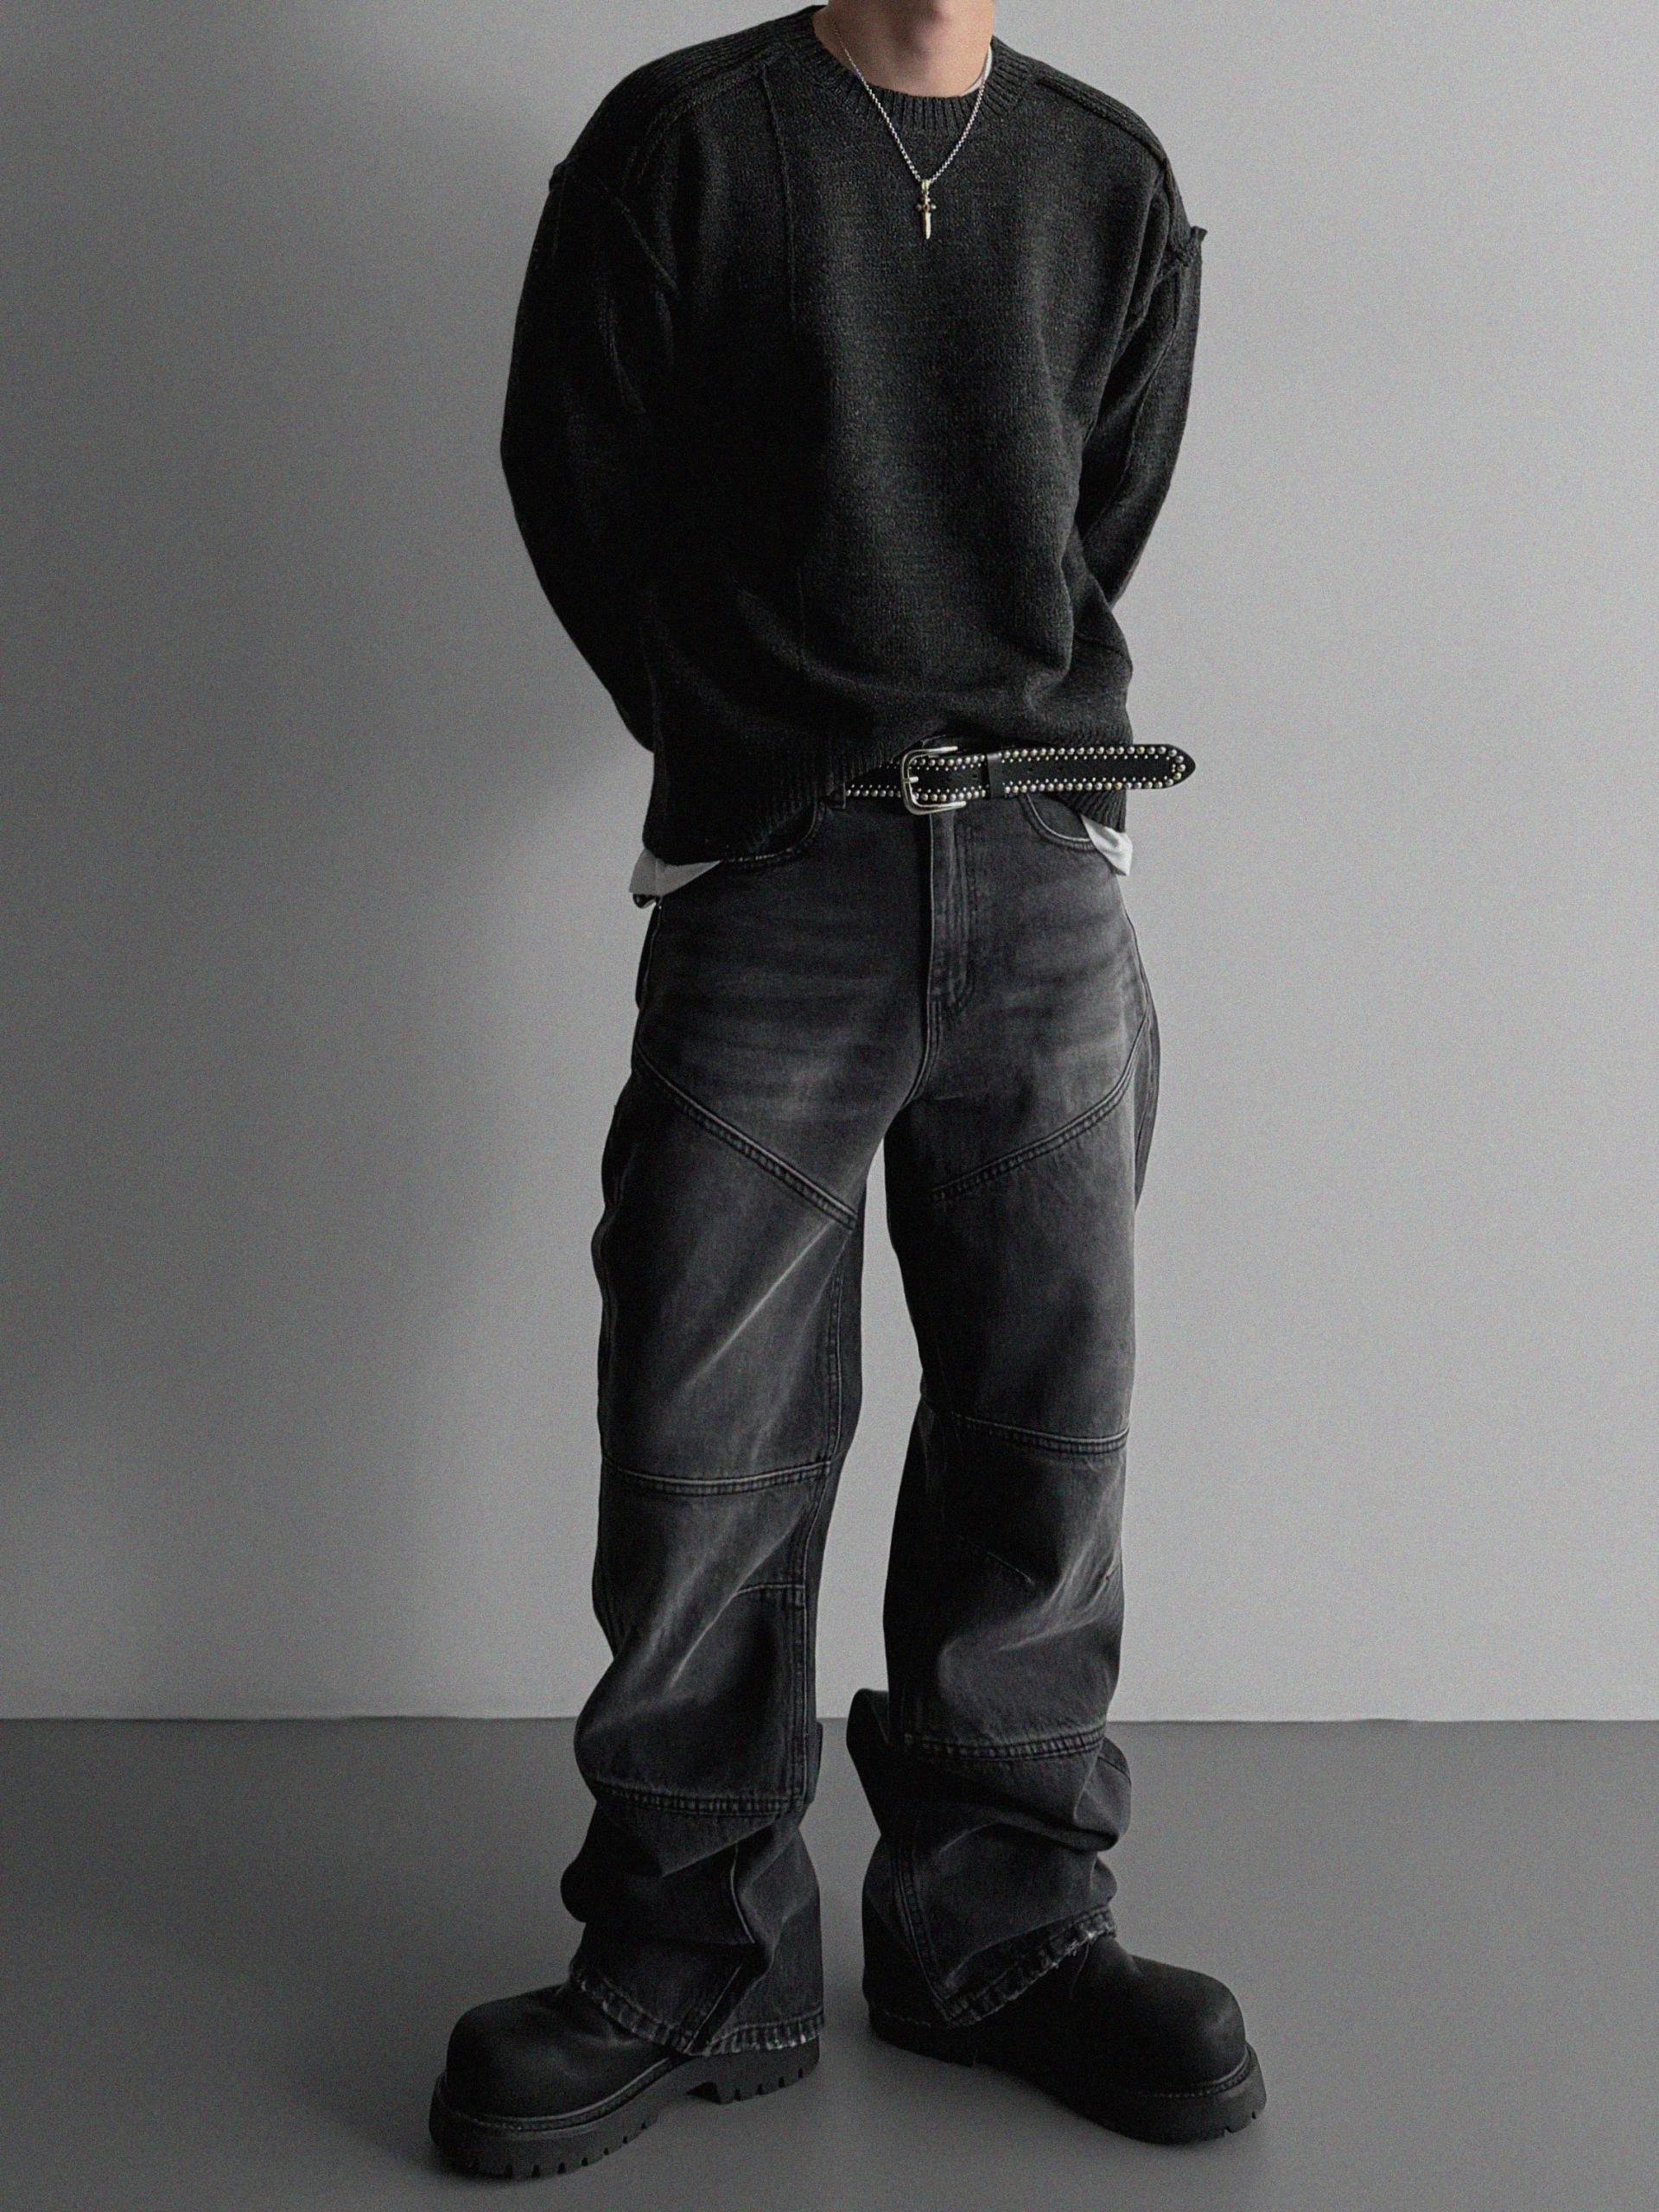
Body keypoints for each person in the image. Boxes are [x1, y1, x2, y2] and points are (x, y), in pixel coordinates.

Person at [429, 0, 1265, 2178]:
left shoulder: (1109, 178)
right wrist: (746, 738)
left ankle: (1000, 1923)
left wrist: (1026, 789)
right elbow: (576, 479)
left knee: (1042, 1424)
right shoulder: (683, 145)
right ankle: (691, 1941)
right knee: (699, 1441)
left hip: (1042, 864)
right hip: (778, 871)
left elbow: (1098, 515)